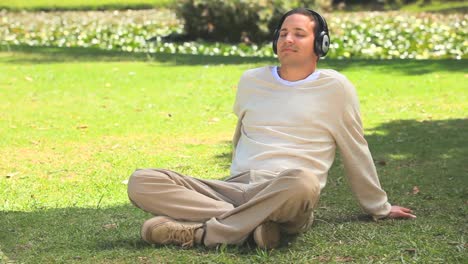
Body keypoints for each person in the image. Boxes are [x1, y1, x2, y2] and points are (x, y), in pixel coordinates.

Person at [127, 7, 416, 250]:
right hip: (236, 187)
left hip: (289, 193)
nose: (287, 39)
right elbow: (240, 136)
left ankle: (201, 233)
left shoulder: (336, 88)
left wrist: (378, 206)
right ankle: (254, 227)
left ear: (320, 44)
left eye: (299, 34)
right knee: (142, 181)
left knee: (303, 180)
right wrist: (236, 181)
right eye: (283, 33)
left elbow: (356, 148)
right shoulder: (251, 80)